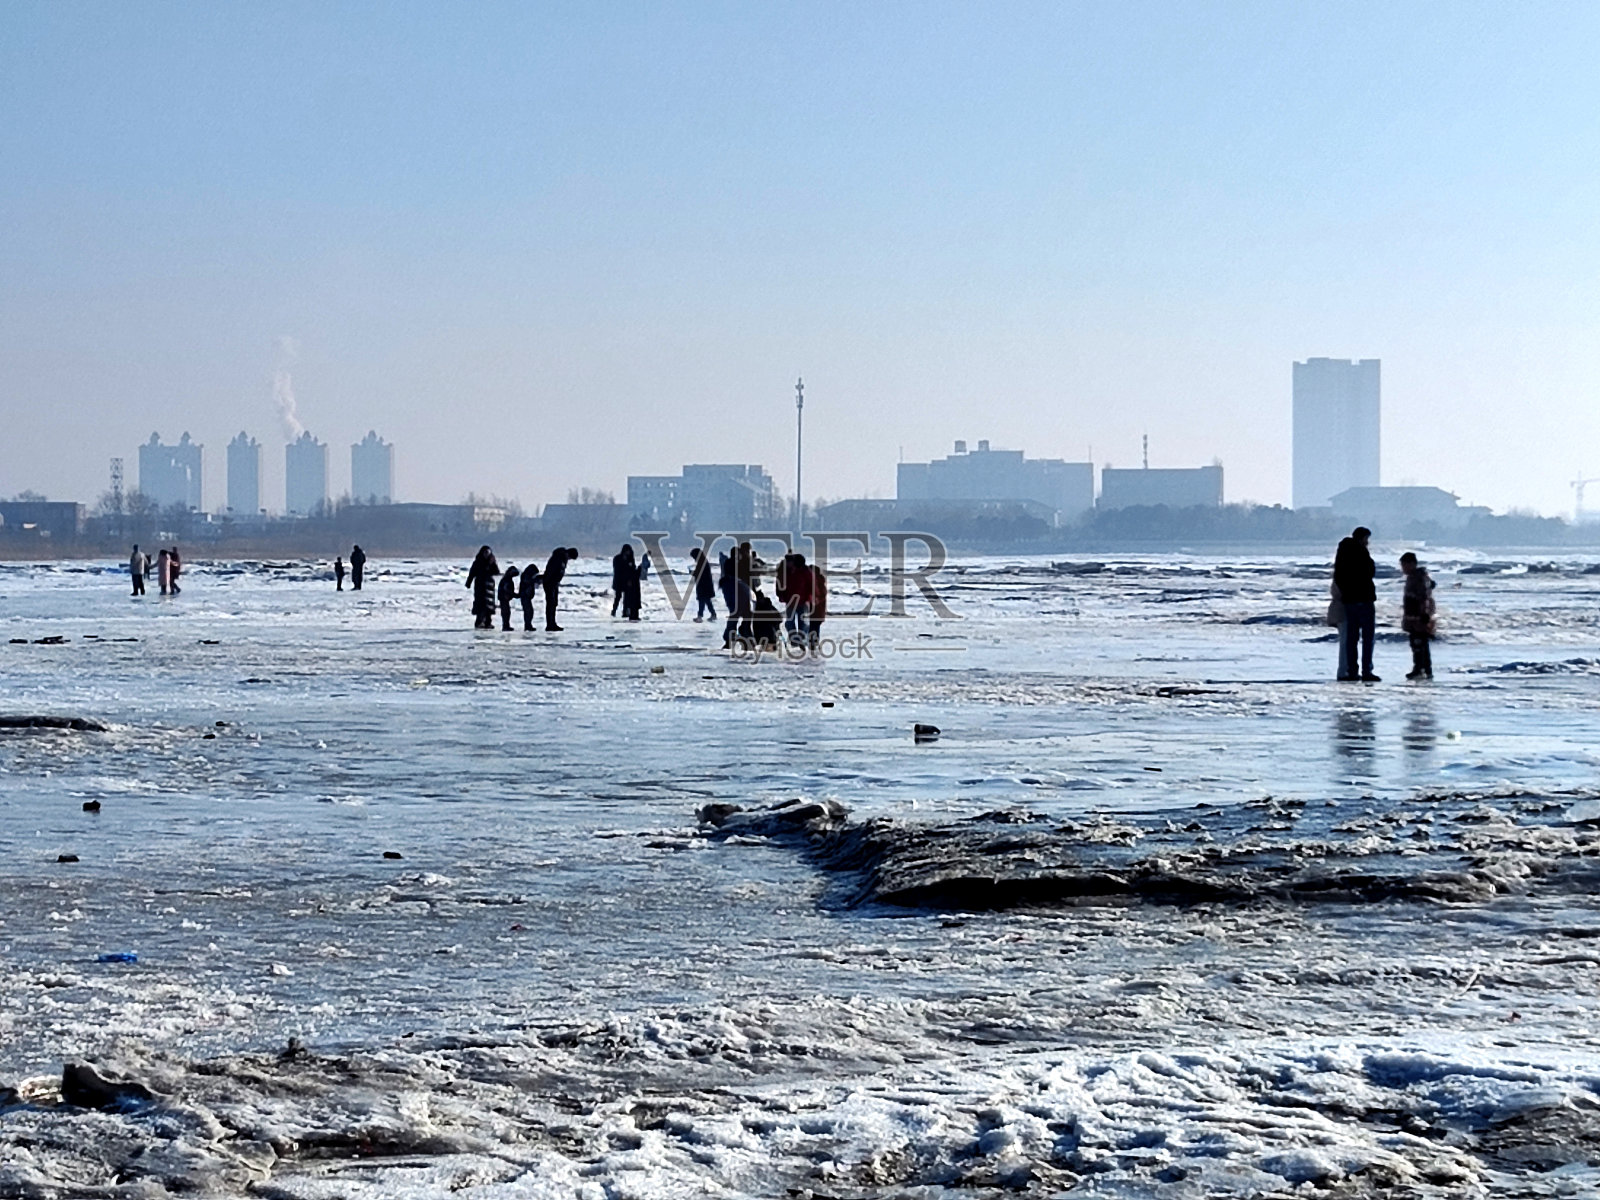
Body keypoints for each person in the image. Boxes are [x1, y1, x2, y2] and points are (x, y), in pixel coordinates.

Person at [1332, 527, 1378, 682]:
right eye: (1367, 539)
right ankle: (1367, 670)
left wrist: (1346, 593)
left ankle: (1352, 670)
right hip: (1364, 599)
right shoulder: (1361, 552)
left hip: (1349, 600)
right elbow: (1370, 571)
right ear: (1363, 538)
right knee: (1367, 637)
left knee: (1352, 639)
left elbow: (1338, 576)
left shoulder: (1342, 553)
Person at [1400, 552, 1436, 680]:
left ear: (1412, 564)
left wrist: (1425, 614)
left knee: (1419, 643)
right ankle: (1423, 668)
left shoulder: (1419, 578)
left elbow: (1425, 598)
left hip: (1419, 617)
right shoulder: (1413, 577)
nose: (1403, 568)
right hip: (1413, 617)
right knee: (1418, 643)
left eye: (1404, 565)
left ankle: (1421, 668)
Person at [777, 552, 812, 643]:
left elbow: (811, 585)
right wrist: (781, 595)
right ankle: (794, 639)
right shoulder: (785, 571)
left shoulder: (805, 571)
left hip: (803, 600)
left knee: (802, 622)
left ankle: (801, 639)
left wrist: (810, 598)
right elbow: (779, 584)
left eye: (790, 561)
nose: (788, 563)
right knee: (789, 622)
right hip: (790, 600)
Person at [543, 547, 577, 631]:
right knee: (551, 604)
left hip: (554, 583)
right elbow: (550, 571)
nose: (569, 559)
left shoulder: (562, 558)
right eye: (570, 558)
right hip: (550, 583)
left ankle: (552, 623)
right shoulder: (558, 559)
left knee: (554, 603)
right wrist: (548, 582)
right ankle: (550, 624)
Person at [466, 546, 499, 629]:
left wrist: (492, 564)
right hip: (480, 585)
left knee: (489, 605)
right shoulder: (477, 562)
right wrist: (468, 583)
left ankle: (488, 622)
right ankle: (479, 621)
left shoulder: (492, 562)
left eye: (488, 553)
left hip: (489, 585)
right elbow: (472, 573)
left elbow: (496, 571)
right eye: (485, 553)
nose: (486, 555)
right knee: (480, 603)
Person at [1328, 578, 1349, 680]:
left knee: (1345, 641)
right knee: (1345, 642)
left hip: (1340, 610)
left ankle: (1344, 670)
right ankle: (1343, 671)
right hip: (1342, 610)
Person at [690, 547, 717, 622]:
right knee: (707, 600)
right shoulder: (703, 562)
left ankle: (700, 616)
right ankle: (712, 614)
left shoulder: (702, 563)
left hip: (703, 585)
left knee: (702, 600)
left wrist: (692, 573)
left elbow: (699, 573)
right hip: (705, 584)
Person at [611, 545, 635, 618]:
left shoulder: (630, 559)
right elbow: (617, 569)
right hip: (619, 581)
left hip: (627, 581)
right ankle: (614, 611)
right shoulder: (617, 558)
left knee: (627, 598)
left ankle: (625, 612)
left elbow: (632, 569)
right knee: (618, 597)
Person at [518, 559, 542, 631]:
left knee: (529, 611)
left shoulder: (526, 577)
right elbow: (529, 583)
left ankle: (528, 625)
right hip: (525, 596)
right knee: (528, 611)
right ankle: (527, 625)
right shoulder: (526, 577)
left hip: (526, 596)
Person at [808, 562, 828, 648]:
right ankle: (813, 642)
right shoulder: (819, 581)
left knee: (813, 625)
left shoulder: (817, 581)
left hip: (816, 607)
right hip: (817, 608)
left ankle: (813, 642)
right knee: (814, 625)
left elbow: (822, 594)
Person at [498, 565, 520, 631]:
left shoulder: (506, 579)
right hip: (504, 598)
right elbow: (507, 590)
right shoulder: (506, 580)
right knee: (506, 612)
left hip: (504, 598)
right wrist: (515, 595)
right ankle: (505, 626)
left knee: (506, 612)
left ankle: (506, 625)